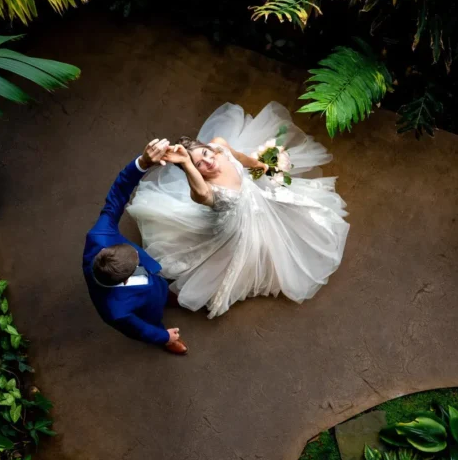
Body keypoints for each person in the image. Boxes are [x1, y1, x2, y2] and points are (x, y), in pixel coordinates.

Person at [126, 102, 349, 318]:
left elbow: (240, 158)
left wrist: (260, 165)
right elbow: (202, 195)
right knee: (255, 248)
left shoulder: (219, 145)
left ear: (207, 146)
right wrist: (185, 162)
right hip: (235, 224)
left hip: (256, 198)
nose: (208, 162)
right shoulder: (203, 190)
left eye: (205, 154)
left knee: (296, 213)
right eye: (198, 165)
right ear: (194, 172)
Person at [83, 139, 187, 354]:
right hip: (145, 309)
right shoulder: (116, 311)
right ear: (127, 279)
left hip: (153, 286)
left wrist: (143, 162)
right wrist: (164, 335)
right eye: (137, 263)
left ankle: (167, 295)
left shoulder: (100, 235)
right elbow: (139, 330)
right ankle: (168, 342)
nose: (141, 257)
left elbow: (117, 196)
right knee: (153, 321)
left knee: (160, 286)